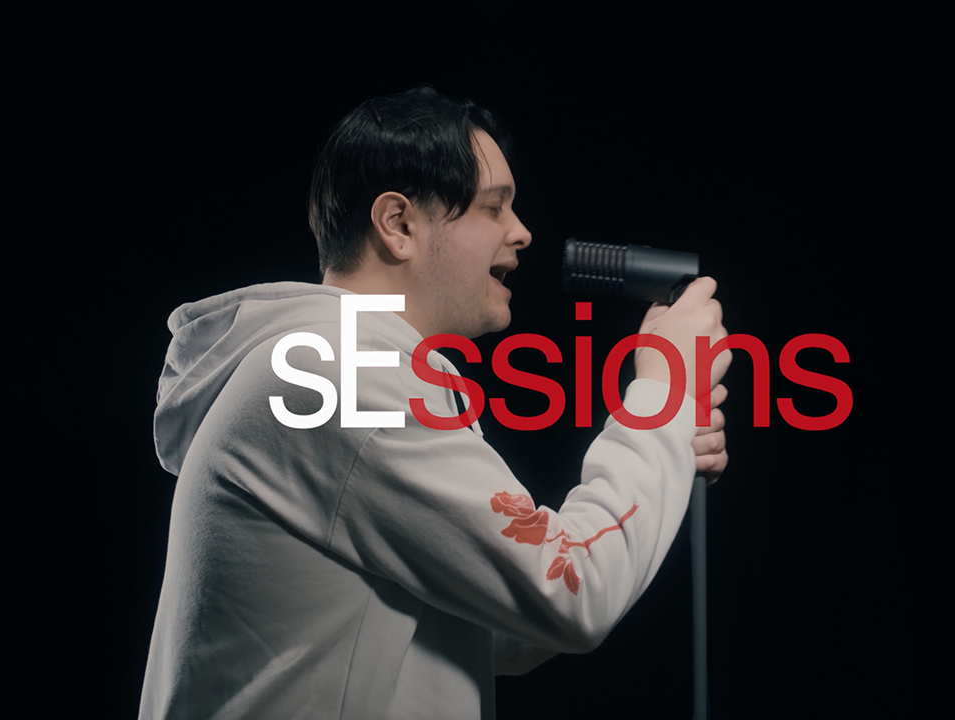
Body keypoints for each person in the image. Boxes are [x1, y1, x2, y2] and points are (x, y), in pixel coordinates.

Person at [140, 85, 731, 719]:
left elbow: (501, 623)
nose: (523, 232)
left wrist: (661, 445)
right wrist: (663, 391)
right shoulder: (337, 372)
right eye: (493, 208)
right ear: (399, 225)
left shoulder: (336, 368)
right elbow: (570, 591)